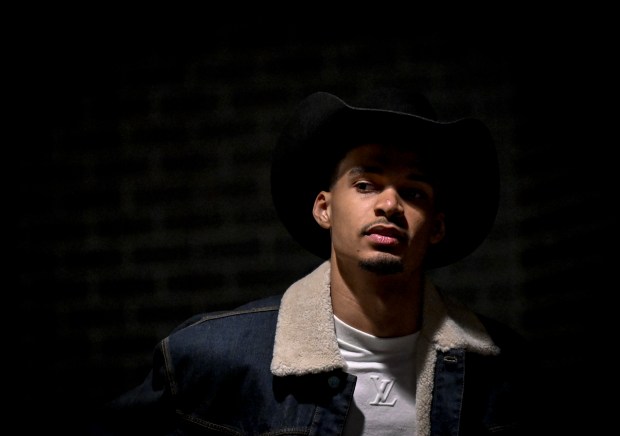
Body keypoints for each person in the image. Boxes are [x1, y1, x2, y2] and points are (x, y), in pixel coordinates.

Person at [91, 89, 534, 435]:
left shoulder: (505, 370)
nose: (389, 205)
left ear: (436, 227)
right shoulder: (214, 359)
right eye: (365, 184)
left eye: (413, 192)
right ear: (324, 208)